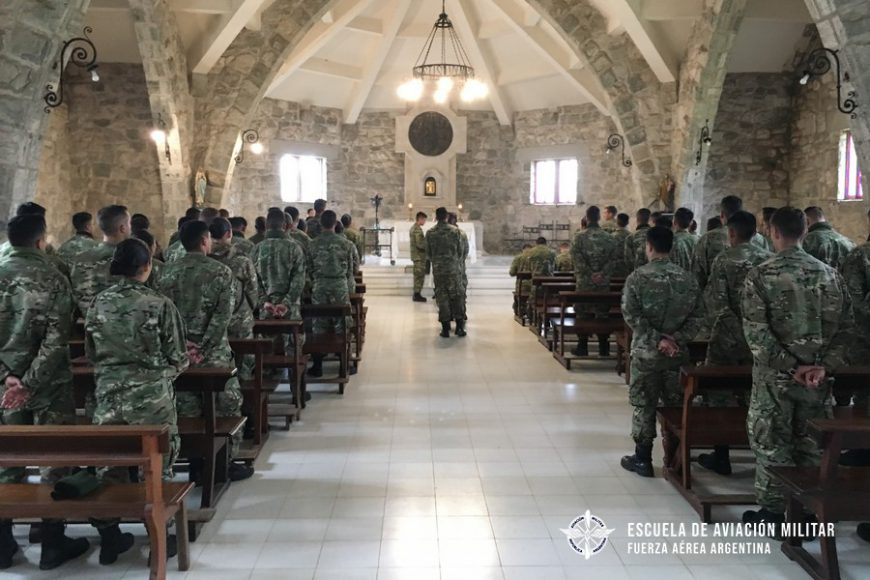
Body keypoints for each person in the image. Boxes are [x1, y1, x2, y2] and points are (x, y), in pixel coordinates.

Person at [741, 207, 852, 533]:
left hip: (775, 379)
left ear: (773, 232)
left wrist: (792, 366)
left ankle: (775, 514)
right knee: (809, 443)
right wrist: (820, 367)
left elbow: (758, 335)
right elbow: (847, 331)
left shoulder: (760, 275)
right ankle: (804, 514)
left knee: (772, 441)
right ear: (804, 231)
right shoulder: (830, 275)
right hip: (817, 380)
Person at [85, 238, 189, 564]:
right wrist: (167, 371)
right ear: (147, 266)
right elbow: (178, 356)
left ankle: (110, 538)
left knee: (108, 465)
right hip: (151, 399)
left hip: (109, 397)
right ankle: (160, 536)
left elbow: (91, 352)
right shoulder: (159, 304)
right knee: (160, 465)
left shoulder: (98, 303)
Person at [0, 214, 89, 571]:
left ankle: (3, 542)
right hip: (48, 384)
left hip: (4, 388)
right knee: (55, 456)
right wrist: (31, 380)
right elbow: (57, 338)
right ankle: (52, 539)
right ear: (41, 241)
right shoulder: (53, 277)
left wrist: (9, 377)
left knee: (6, 457)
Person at [156, 221, 254, 481]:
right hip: (214, 355)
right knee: (227, 405)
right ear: (204, 241)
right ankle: (224, 463)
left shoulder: (165, 273)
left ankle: (196, 464)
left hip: (180, 355)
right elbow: (224, 315)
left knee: (188, 409)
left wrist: (182, 347)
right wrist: (205, 346)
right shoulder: (220, 272)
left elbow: (163, 316)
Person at [620, 226, 704, 478]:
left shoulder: (637, 277)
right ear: (673, 247)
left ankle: (643, 458)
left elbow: (631, 315)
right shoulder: (688, 279)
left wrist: (657, 339)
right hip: (676, 353)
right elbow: (698, 317)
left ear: (649, 246)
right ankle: (674, 456)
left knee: (644, 404)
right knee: (675, 403)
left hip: (646, 353)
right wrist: (674, 339)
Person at [697, 211, 772, 475]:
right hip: (761, 341)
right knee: (756, 393)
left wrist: (729, 329)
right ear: (756, 233)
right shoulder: (768, 260)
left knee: (719, 392)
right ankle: (758, 450)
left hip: (728, 338)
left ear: (731, 233)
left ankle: (722, 454)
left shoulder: (724, 259)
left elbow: (715, 301)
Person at [307, 211, 356, 376]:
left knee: (318, 324)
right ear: (335, 224)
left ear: (321, 224)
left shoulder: (312, 244)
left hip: (319, 285)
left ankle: (318, 365)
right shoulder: (346, 244)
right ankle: (344, 363)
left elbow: (308, 268)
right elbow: (352, 269)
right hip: (339, 285)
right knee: (342, 324)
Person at [209, 218, 258, 379]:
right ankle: (243, 392)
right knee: (244, 361)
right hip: (239, 320)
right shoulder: (241, 260)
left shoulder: (204, 259)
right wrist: (248, 310)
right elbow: (252, 291)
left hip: (210, 323)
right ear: (229, 233)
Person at [251, 208, 306, 347]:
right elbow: (298, 280)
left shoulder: (256, 249)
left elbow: (253, 281)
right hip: (290, 309)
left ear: (267, 226)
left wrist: (265, 301)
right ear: (284, 225)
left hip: (267, 309)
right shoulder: (294, 248)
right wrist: (286, 303)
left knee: (268, 351)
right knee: (292, 352)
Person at [570, 206, 618, 356]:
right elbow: (613, 260)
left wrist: (590, 274)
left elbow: (577, 259)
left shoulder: (579, 237)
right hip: (602, 282)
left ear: (587, 218)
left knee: (582, 313)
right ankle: (604, 347)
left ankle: (582, 346)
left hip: (584, 281)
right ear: (599, 218)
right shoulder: (609, 237)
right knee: (602, 313)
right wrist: (601, 274)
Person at [692, 196, 766, 290]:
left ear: (722, 214)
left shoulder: (707, 239)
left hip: (719, 296)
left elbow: (697, 276)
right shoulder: (760, 239)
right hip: (755, 299)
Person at [69, 205, 131, 315]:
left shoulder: (80, 259)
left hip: (88, 325)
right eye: (129, 223)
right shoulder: (130, 258)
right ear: (123, 228)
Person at [426, 207, 466, 337]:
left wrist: (437, 261)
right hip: (453, 269)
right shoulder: (456, 232)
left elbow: (428, 253)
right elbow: (461, 251)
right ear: (447, 217)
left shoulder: (430, 233)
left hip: (438, 270)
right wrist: (454, 262)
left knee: (442, 298)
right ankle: (459, 327)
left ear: (436, 217)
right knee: (457, 296)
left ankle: (445, 328)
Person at [525, 237, 556, 308]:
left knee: (533, 300)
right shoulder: (552, 252)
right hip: (549, 282)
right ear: (545, 243)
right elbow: (555, 265)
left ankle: (532, 313)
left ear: (536, 243)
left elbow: (528, 265)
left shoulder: (531, 251)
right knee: (548, 298)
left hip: (536, 282)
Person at [447, 213, 469, 295]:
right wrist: (461, 259)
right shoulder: (461, 233)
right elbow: (466, 250)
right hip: (458, 264)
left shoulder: (442, 233)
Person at [670, 207, 697, 272]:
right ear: (691, 223)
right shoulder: (698, 240)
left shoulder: (669, 241)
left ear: (674, 222)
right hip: (693, 280)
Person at [625, 208, 652, 273]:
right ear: (649, 219)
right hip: (656, 274)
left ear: (637, 220)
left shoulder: (630, 237)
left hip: (638, 274)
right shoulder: (657, 235)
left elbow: (628, 260)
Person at [410, 212, 429, 303]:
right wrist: (427, 242)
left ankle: (417, 294)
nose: (425, 221)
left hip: (417, 256)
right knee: (419, 276)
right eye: (424, 219)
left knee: (418, 276)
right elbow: (420, 244)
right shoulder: (417, 230)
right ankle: (417, 294)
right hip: (419, 257)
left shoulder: (414, 228)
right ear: (420, 219)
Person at [611, 213, 632, 277]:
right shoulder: (631, 236)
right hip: (627, 270)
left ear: (616, 222)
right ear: (628, 222)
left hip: (614, 269)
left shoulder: (611, 237)